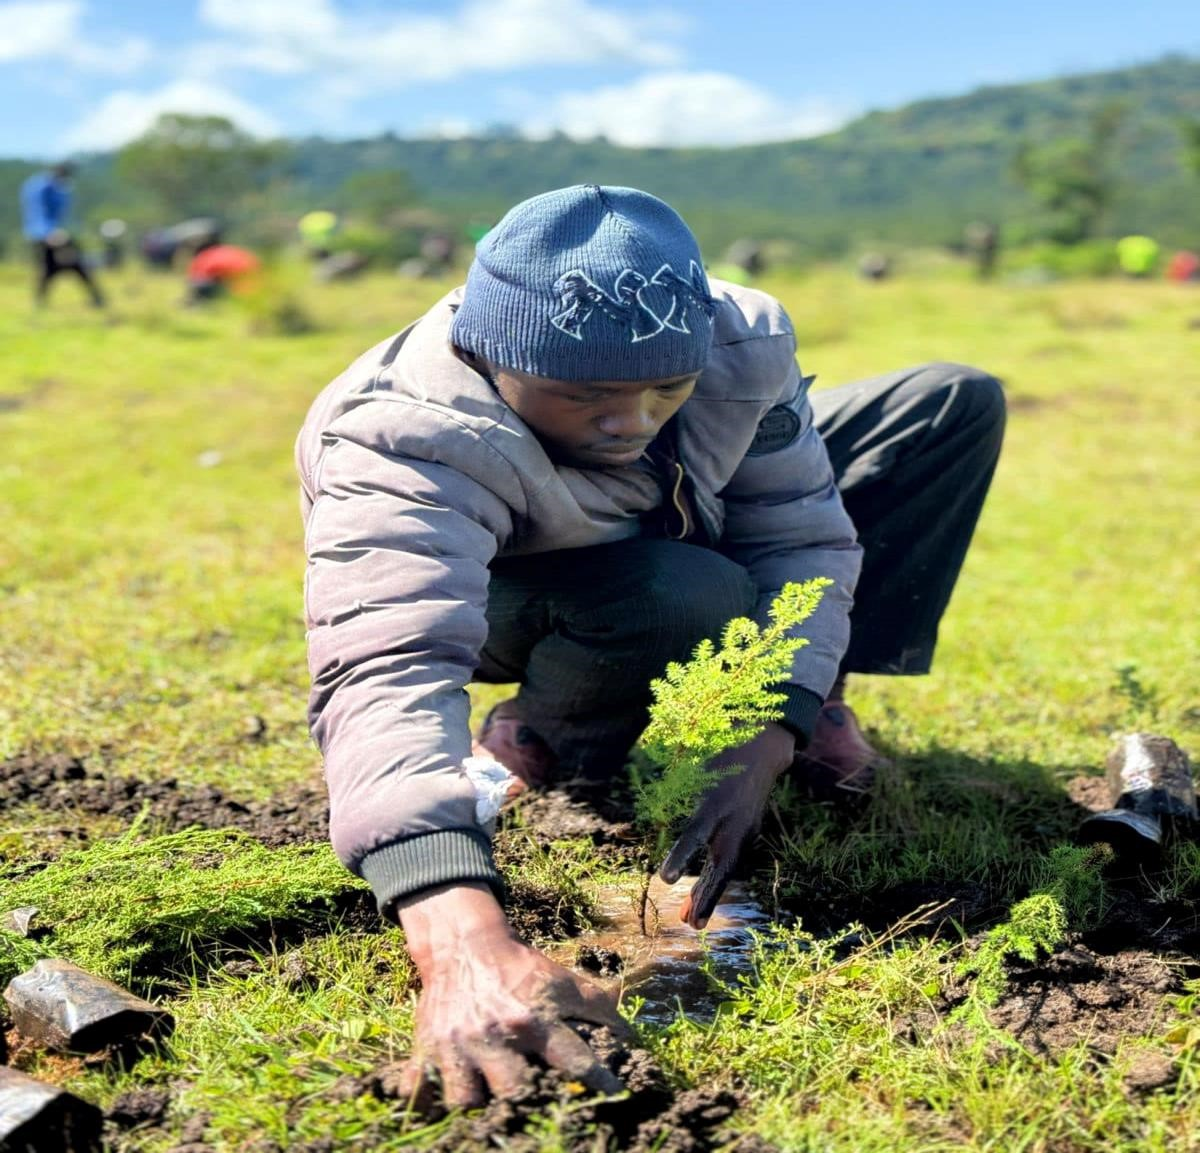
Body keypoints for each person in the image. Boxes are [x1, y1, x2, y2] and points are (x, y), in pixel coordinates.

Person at [295, 185, 1006, 1107]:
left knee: (945, 402)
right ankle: (552, 732)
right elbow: (389, 658)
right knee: (684, 590)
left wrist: (774, 717)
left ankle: (809, 692)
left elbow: (799, 533)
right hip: (520, 585)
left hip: (678, 523)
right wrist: (457, 936)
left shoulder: (739, 340)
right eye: (585, 396)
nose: (631, 421)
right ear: (493, 353)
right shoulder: (406, 434)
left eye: (665, 390)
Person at [19, 162, 105, 308]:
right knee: (52, 267)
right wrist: (49, 232)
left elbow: (63, 215)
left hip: (58, 233)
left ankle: (96, 299)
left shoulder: (60, 188)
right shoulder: (40, 186)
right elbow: (37, 212)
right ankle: (40, 302)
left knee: (70, 265)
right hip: (45, 235)